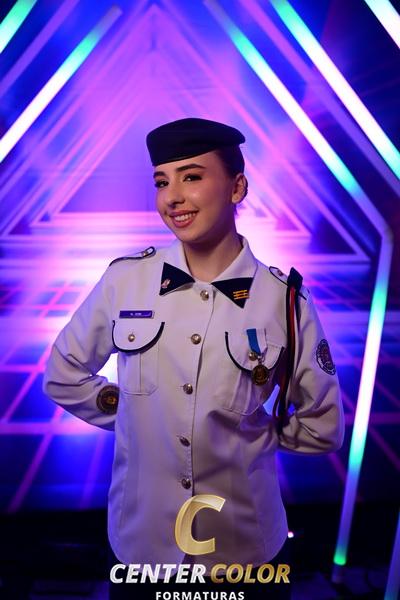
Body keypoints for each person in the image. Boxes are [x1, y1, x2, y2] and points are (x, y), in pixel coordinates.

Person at [43, 117, 344, 599]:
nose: (173, 197)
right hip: (142, 547)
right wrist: (138, 416)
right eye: (162, 182)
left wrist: (250, 438)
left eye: (192, 176)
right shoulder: (126, 281)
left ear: (237, 187)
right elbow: (64, 375)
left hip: (245, 551)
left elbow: (322, 426)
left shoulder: (283, 300)